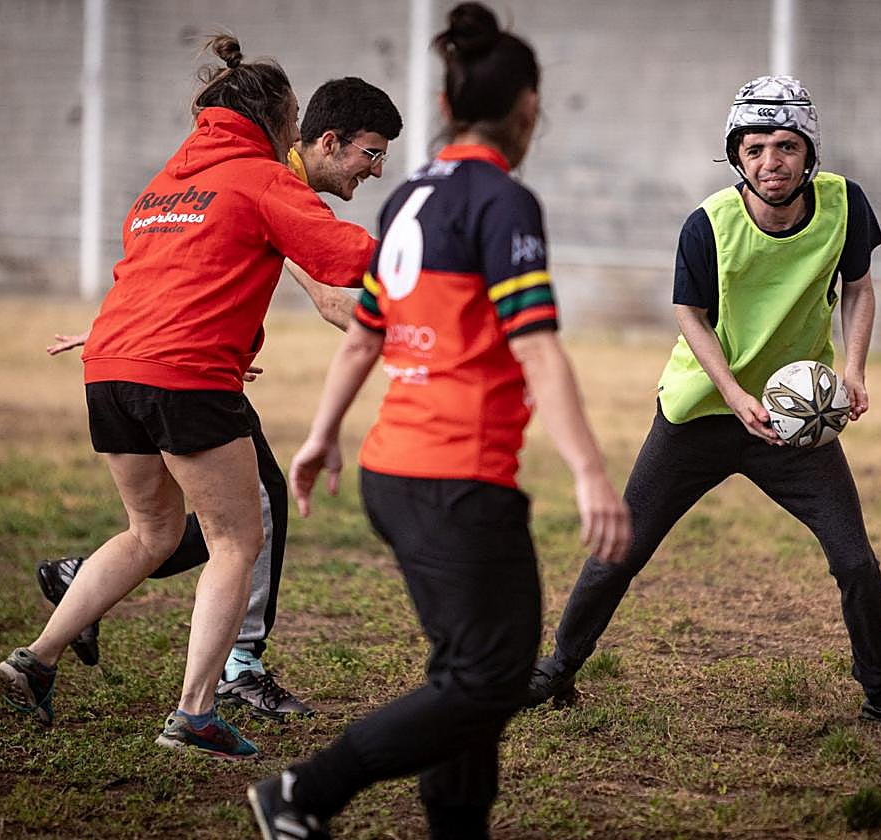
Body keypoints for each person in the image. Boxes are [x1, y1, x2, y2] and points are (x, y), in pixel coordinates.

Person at [246, 4, 631, 837]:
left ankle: (457, 828)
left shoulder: (411, 194)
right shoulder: (503, 202)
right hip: (455, 479)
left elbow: (365, 338)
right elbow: (536, 351)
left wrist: (321, 435)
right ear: (527, 108)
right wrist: (593, 473)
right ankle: (303, 793)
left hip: (396, 472)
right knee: (491, 677)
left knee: (469, 669)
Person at [0, 35, 389, 759]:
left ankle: (35, 659)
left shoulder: (166, 184)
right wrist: (431, 249)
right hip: (183, 375)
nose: (295, 133)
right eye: (292, 117)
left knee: (153, 533)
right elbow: (344, 258)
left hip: (111, 368)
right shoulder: (263, 177)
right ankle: (197, 713)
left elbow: (158, 274)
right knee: (238, 538)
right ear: (272, 119)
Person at [524, 75, 881, 727]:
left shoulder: (846, 205)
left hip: (792, 417)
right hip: (700, 412)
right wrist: (732, 391)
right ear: (737, 156)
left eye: (786, 146)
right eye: (754, 148)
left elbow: (860, 287)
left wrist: (856, 369)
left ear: (810, 152)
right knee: (624, 546)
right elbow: (688, 314)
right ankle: (556, 670)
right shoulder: (710, 223)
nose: (770, 162)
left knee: (854, 558)